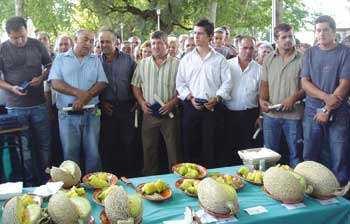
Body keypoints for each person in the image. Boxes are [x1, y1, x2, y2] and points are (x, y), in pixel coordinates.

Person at [0, 16, 52, 186]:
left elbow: (50, 66)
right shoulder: (2, 49)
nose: (20, 40)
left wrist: (41, 77)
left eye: (22, 35)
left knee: (44, 145)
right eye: (15, 38)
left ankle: (47, 180)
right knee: (24, 148)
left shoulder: (37, 44)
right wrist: (11, 88)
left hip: (39, 104)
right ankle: (29, 184)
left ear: (26, 31)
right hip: (15, 107)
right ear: (8, 35)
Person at [48, 29, 108, 173]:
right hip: (67, 115)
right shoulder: (61, 59)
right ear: (75, 39)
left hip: (91, 113)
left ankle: (94, 187)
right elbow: (55, 83)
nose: (89, 44)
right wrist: (79, 93)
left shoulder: (95, 60)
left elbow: (102, 82)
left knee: (93, 153)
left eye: (92, 41)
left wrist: (87, 96)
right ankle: (72, 188)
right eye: (86, 39)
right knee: (70, 156)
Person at [176, 19, 232, 168]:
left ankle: (211, 183)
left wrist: (218, 97)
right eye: (194, 33)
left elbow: (227, 83)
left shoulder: (220, 60)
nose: (196, 36)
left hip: (212, 108)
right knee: (190, 147)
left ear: (210, 36)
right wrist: (190, 97)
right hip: (190, 107)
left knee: (211, 148)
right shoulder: (186, 59)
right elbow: (180, 84)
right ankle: (190, 181)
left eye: (200, 34)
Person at [301, 15, 350, 186]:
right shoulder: (309, 53)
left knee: (340, 157)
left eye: (326, 30)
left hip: (339, 113)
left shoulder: (345, 53)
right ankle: (310, 193)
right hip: (311, 112)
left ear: (334, 32)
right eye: (318, 30)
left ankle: (341, 197)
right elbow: (305, 82)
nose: (321, 33)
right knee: (309, 156)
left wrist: (326, 110)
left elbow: (344, 84)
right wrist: (325, 99)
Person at [132, 30, 181, 175]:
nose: (155, 46)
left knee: (173, 150)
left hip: (170, 114)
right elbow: (135, 85)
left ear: (166, 45)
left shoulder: (177, 64)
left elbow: (183, 89)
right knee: (148, 149)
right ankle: (149, 179)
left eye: (159, 43)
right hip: (149, 114)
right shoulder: (142, 64)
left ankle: (176, 177)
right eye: (153, 43)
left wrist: (172, 103)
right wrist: (141, 103)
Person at [259, 23, 304, 168]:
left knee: (296, 155)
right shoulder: (268, 58)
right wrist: (262, 100)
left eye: (290, 36)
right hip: (271, 115)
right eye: (284, 37)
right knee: (269, 155)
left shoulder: (303, 58)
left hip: (294, 116)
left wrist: (294, 98)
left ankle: (298, 187)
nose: (288, 40)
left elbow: (307, 87)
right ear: (276, 39)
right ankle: (269, 187)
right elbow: (264, 83)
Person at [98, 29, 141, 177]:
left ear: (116, 42)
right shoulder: (95, 61)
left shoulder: (128, 60)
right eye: (101, 41)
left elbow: (138, 81)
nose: (104, 44)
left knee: (128, 143)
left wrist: (137, 99)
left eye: (107, 41)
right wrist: (101, 102)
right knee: (109, 145)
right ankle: (111, 178)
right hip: (106, 108)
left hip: (126, 107)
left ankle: (129, 177)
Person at [224, 36, 262, 165]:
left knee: (248, 151)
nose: (248, 51)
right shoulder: (227, 66)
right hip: (228, 115)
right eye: (244, 47)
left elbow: (262, 95)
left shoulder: (259, 69)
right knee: (228, 149)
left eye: (251, 48)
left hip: (250, 115)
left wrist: (260, 116)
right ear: (238, 48)